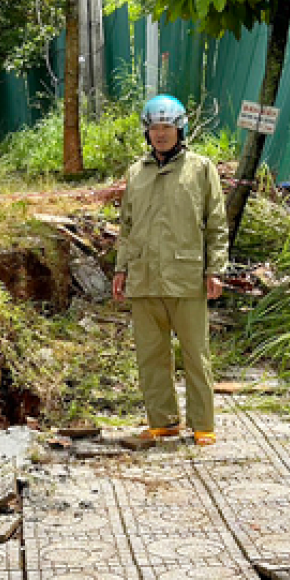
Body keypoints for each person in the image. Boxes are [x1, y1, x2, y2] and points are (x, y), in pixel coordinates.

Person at [111, 95, 229, 446]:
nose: (161, 134)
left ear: (181, 129)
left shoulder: (201, 169)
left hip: (186, 277)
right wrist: (121, 269)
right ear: (147, 133)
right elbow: (127, 226)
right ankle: (162, 421)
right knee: (150, 354)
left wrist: (215, 269)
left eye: (167, 127)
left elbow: (216, 224)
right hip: (145, 277)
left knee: (195, 353)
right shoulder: (136, 172)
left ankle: (202, 424)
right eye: (155, 128)